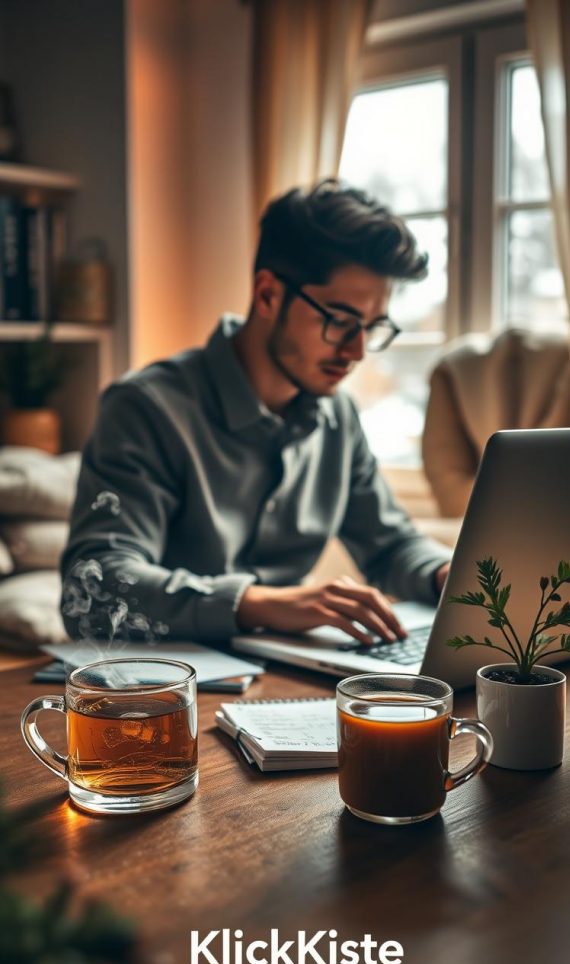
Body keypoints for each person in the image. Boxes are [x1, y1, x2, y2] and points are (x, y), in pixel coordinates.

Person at [61, 179, 451, 646]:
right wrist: (261, 604)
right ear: (267, 295)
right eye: (340, 322)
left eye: (372, 327)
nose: (357, 350)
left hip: (288, 676)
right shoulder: (145, 408)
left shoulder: (337, 417)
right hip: (158, 689)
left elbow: (390, 545)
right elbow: (96, 585)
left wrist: (447, 575)